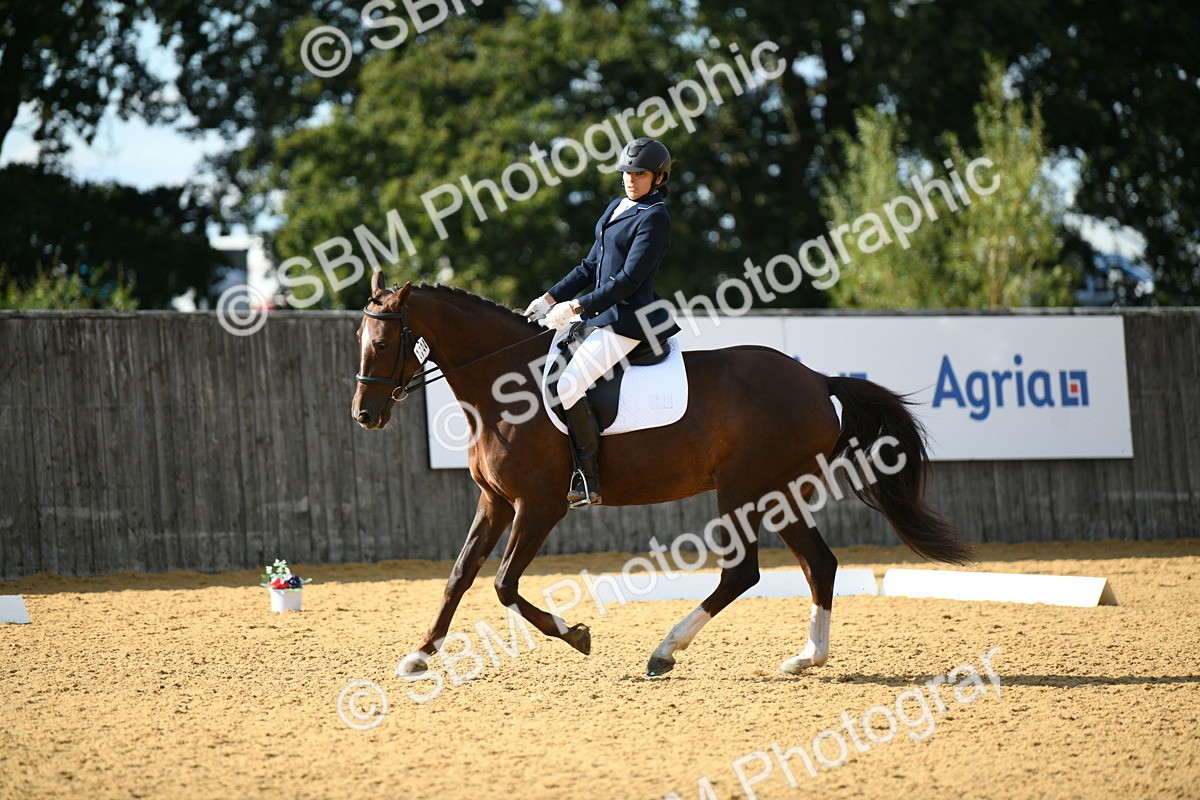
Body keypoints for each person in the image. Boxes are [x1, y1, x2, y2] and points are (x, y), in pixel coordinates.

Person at [524, 137, 681, 507]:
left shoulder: (655, 217)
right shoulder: (617, 207)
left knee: (568, 384)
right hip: (598, 316)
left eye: (640, 174)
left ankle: (588, 476)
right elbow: (590, 266)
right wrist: (549, 297)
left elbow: (628, 280)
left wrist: (575, 307)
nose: (631, 179)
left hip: (627, 320)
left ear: (659, 178)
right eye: (626, 173)